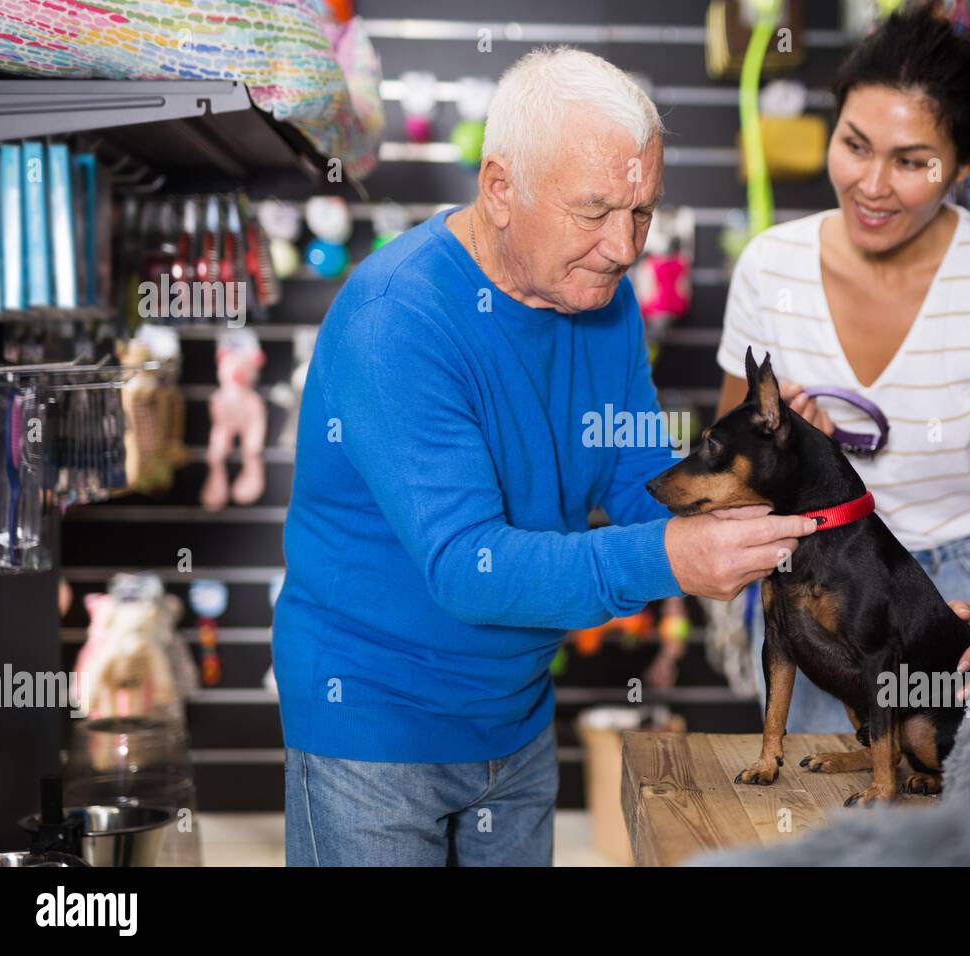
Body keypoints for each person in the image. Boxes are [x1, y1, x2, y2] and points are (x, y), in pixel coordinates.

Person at [272, 46, 818, 867]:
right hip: (371, 729)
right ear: (500, 189)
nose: (624, 245)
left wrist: (745, 490)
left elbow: (635, 481)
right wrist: (671, 556)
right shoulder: (398, 320)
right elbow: (467, 565)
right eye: (594, 210)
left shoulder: (600, 298)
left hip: (517, 715)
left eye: (641, 212)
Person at [715, 8, 970, 732]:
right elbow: (730, 479)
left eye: (913, 161)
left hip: (959, 591)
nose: (873, 185)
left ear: (968, 163)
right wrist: (783, 460)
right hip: (815, 584)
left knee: (949, 828)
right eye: (855, 145)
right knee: (822, 829)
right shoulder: (769, 267)